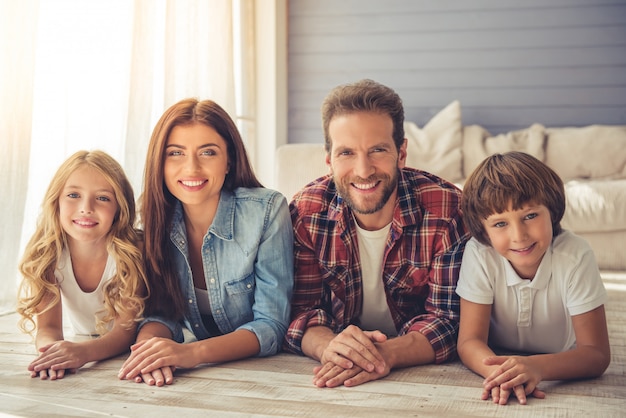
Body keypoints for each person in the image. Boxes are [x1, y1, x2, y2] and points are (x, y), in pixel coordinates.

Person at [283, 79, 469, 388]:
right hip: (339, 375)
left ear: (402, 153)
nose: (364, 170)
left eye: (378, 150)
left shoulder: (447, 210)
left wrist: (384, 354)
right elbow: (300, 311)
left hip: (417, 381)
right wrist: (329, 346)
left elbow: (450, 321)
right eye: (346, 153)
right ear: (329, 161)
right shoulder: (305, 212)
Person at [117, 98, 294, 386]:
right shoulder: (155, 221)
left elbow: (271, 325)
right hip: (201, 382)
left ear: (229, 161)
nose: (192, 168)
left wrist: (191, 353)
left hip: (268, 378)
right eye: (175, 153)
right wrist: (148, 353)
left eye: (208, 152)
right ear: (159, 163)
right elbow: (161, 315)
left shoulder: (267, 211)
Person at [456, 151, 611, 405]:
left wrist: (536, 367)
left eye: (530, 216)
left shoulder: (575, 255)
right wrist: (502, 375)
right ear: (483, 231)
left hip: (560, 356)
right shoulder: (480, 253)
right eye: (500, 224)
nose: (519, 236)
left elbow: (596, 354)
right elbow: (469, 341)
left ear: (551, 210)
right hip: (498, 358)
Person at [17, 150, 148, 380]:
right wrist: (52, 353)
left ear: (119, 209)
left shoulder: (132, 250)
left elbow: (124, 332)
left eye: (103, 198)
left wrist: (82, 353)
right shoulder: (47, 252)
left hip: (135, 350)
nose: (86, 208)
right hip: (83, 346)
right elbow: (48, 328)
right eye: (74, 195)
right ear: (56, 200)